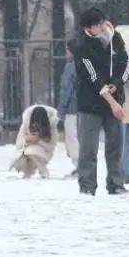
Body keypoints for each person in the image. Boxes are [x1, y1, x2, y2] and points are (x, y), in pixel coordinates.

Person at [73, 8, 129, 196]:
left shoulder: (115, 39)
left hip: (114, 98)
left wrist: (116, 83)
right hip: (90, 103)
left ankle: (116, 183)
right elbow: (92, 75)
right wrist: (108, 96)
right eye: (97, 25)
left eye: (102, 22)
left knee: (115, 146)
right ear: (88, 27)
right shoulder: (81, 45)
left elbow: (125, 62)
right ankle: (87, 185)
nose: (101, 27)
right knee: (88, 149)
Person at [9, 104, 59, 178]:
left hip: (42, 152)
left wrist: (38, 140)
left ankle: (43, 171)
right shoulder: (26, 123)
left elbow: (51, 146)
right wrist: (27, 140)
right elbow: (18, 143)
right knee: (19, 159)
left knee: (31, 151)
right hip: (26, 150)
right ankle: (28, 171)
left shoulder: (51, 126)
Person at [56, 41, 80, 178]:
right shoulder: (88, 65)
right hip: (86, 108)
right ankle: (85, 166)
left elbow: (66, 89)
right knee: (83, 138)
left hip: (72, 108)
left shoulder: (70, 67)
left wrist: (61, 109)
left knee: (72, 137)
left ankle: (79, 165)